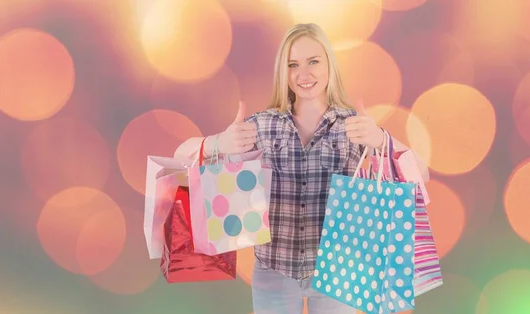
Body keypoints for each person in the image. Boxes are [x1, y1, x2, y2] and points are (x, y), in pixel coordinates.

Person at [174, 23, 429, 314]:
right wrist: (217, 143)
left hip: (340, 273)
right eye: (293, 64)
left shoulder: (355, 126)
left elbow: (421, 175)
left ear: (329, 65)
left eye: (313, 62)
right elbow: (181, 157)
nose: (303, 74)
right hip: (273, 270)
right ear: (283, 71)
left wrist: (382, 140)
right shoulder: (263, 125)